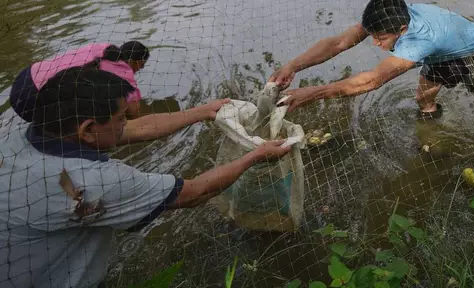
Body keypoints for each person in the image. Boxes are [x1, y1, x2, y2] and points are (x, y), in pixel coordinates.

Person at [0, 66, 291, 288]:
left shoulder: (15, 140)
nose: (126, 123)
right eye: (120, 117)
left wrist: (200, 112)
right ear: (88, 130)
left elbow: (137, 129)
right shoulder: (93, 182)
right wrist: (254, 156)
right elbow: (194, 193)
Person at [271, 0, 474, 162]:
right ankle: (432, 140)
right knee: (423, 98)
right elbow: (339, 43)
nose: (375, 44)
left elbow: (372, 80)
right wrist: (293, 66)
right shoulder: (388, 16)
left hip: (472, 48)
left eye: (381, 39)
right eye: (372, 35)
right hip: (442, 51)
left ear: (401, 29)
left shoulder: (418, 42)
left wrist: (312, 94)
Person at [9, 41, 150, 122]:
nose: (139, 69)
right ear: (137, 63)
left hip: (25, 77)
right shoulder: (124, 73)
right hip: (33, 99)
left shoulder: (103, 47)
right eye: (142, 66)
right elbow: (133, 112)